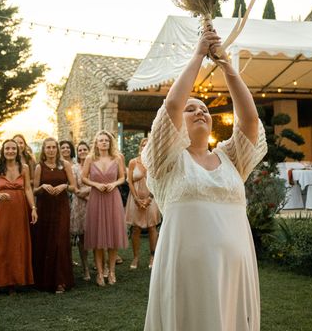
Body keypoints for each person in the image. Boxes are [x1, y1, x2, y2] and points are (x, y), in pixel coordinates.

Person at [143, 29, 266, 331]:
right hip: (187, 272)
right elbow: (172, 105)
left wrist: (226, 65)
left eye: (206, 109)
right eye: (192, 108)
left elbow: (249, 120)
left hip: (235, 271)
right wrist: (199, 54)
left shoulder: (231, 158)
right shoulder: (166, 159)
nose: (200, 111)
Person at [0, 139, 37, 293]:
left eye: (13, 149)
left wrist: (33, 208)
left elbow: (27, 189)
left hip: (19, 211)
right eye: (7, 148)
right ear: (3, 150)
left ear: (17, 151)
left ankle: (13, 282)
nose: (10, 151)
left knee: (16, 245)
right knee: (0, 243)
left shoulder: (25, 168)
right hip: (1, 211)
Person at [82, 131, 128, 286]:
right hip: (96, 197)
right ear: (96, 143)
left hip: (112, 197)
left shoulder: (117, 158)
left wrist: (113, 184)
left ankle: (112, 271)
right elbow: (83, 178)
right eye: (101, 140)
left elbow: (122, 178)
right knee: (97, 238)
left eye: (106, 140)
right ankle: (100, 273)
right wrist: (96, 185)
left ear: (110, 143)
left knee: (113, 236)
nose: (103, 143)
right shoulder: (90, 158)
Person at [32, 138, 76, 293]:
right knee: (46, 241)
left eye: (53, 147)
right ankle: (45, 281)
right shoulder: (39, 167)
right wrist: (42, 186)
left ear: (57, 149)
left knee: (60, 242)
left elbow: (74, 187)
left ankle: (61, 281)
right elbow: (33, 190)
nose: (51, 150)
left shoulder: (65, 165)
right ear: (44, 150)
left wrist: (64, 186)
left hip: (61, 207)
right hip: (44, 208)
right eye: (48, 147)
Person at [124, 137, 161, 270]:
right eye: (143, 145)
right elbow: (129, 181)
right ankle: (135, 257)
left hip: (151, 198)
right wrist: (136, 199)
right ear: (140, 147)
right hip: (135, 198)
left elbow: (158, 182)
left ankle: (153, 256)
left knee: (152, 227)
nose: (145, 147)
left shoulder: (155, 162)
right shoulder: (133, 162)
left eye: (148, 145)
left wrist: (149, 199)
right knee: (136, 228)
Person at [70, 141, 91, 281]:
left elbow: (99, 184)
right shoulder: (74, 168)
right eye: (80, 150)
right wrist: (81, 193)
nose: (82, 152)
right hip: (80, 204)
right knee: (82, 238)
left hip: (95, 202)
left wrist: (89, 193)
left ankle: (102, 266)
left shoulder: (94, 166)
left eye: (85, 149)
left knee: (98, 236)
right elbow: (73, 186)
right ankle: (85, 268)